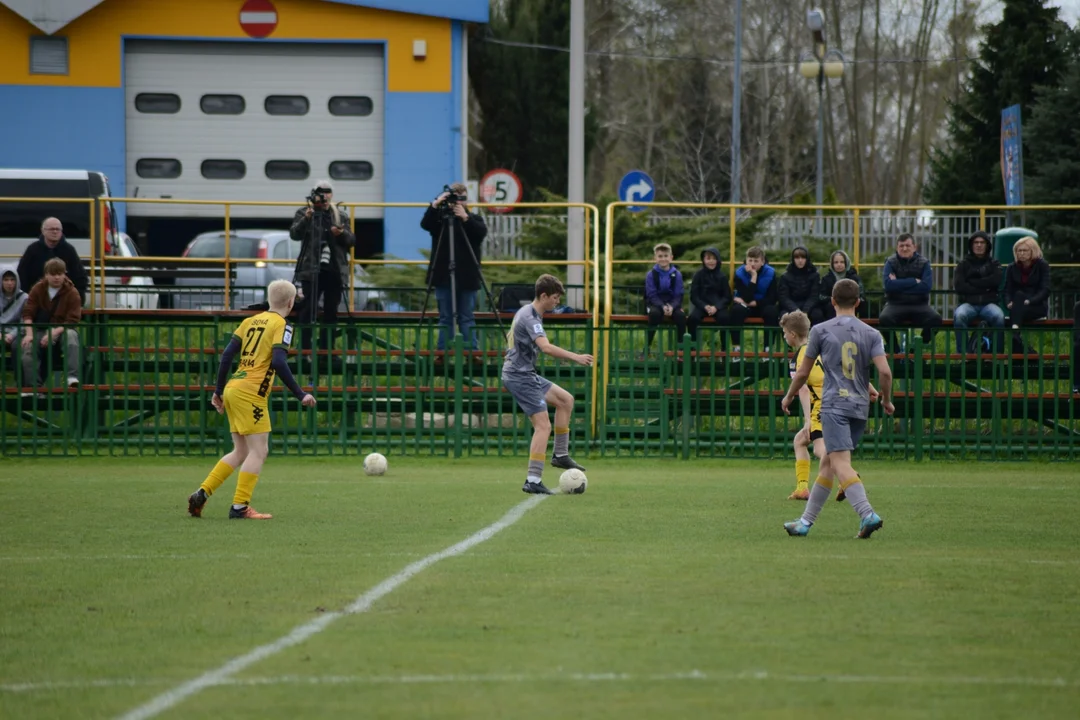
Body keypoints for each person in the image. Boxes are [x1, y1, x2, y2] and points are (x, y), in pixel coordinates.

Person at [187, 280, 316, 520]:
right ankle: (239, 507)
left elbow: (226, 355)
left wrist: (218, 390)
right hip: (251, 392)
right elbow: (278, 361)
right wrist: (301, 393)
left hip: (234, 387)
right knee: (260, 451)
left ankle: (202, 493)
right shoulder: (283, 325)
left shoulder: (249, 321)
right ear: (290, 302)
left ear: (269, 300)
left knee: (240, 451)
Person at [780, 278, 895, 539]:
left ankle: (867, 514)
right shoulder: (871, 333)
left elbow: (803, 373)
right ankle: (805, 523)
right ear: (858, 303)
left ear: (832, 301)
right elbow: (885, 372)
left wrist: (787, 397)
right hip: (858, 406)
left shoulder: (821, 330)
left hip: (833, 405)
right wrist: (885, 399)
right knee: (828, 464)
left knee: (839, 462)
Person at [501, 273, 593, 495]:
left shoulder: (528, 313)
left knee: (565, 400)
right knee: (543, 426)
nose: (557, 302)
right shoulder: (530, 317)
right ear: (543, 295)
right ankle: (533, 479)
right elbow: (547, 348)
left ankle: (560, 455)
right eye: (554, 297)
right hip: (519, 376)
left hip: (524, 373)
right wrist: (576, 357)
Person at [289, 180, 355, 352]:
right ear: (313, 194)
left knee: (331, 311)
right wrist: (307, 219)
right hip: (311, 268)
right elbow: (295, 234)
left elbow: (351, 240)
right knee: (308, 309)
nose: (324, 195)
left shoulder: (339, 215)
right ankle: (304, 350)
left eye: (327, 192)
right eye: (320, 192)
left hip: (334, 269)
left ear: (331, 194)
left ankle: (327, 350)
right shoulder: (304, 213)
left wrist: (340, 234)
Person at [421, 183, 488, 350]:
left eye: (462, 199)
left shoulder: (473, 219)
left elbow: (480, 233)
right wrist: (435, 204)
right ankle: (443, 350)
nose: (458, 202)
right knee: (445, 317)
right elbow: (425, 224)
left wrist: (465, 218)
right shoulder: (440, 220)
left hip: (467, 276)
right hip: (443, 275)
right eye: (454, 198)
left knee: (466, 316)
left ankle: (471, 351)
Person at [780, 310, 824, 501]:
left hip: (822, 406)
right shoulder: (820, 349)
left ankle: (848, 479)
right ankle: (802, 488)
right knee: (800, 441)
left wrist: (807, 420)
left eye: (784, 333)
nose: (784, 336)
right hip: (839, 401)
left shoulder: (798, 359)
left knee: (820, 449)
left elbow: (804, 390)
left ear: (792, 334)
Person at [20, 258, 81, 390]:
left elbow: (72, 320)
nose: (57, 277)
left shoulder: (72, 292)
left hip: (63, 329)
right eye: (53, 274)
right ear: (46, 274)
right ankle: (32, 386)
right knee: (28, 346)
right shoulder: (37, 289)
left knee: (71, 337)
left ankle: (72, 377)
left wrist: (54, 332)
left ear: (65, 274)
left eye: (60, 274)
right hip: (40, 329)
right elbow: (28, 313)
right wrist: (29, 334)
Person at [878, 233, 942, 347]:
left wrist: (898, 284)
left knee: (936, 319)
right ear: (897, 248)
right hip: (895, 304)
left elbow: (926, 287)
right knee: (884, 319)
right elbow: (888, 286)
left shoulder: (924, 263)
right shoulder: (890, 262)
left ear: (914, 247)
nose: (904, 248)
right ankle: (895, 350)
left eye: (907, 245)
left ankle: (917, 349)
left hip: (920, 305)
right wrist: (913, 281)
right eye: (901, 246)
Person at [952, 230, 1004, 354]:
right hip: (968, 304)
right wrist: (985, 286)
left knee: (999, 317)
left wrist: (971, 282)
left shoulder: (994, 264)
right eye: (976, 242)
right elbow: (960, 287)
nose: (979, 245)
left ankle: (997, 356)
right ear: (971, 245)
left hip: (989, 304)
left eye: (982, 242)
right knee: (959, 316)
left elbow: (995, 281)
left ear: (987, 245)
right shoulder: (963, 264)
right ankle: (964, 356)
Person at [17, 217, 89, 305]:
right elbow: (22, 274)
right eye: (51, 229)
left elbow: (80, 276)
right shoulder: (33, 250)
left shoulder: (69, 250)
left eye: (57, 229)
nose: (55, 232)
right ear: (43, 231)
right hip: (36, 298)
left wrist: (77, 298)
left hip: (64, 300)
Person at [729, 246, 779, 354]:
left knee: (772, 311)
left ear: (762, 262)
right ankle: (736, 348)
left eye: (756, 261)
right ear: (746, 260)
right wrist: (753, 276)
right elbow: (746, 296)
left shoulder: (770, 273)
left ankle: (768, 349)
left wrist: (755, 303)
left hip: (762, 305)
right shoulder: (739, 273)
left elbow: (772, 297)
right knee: (736, 310)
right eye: (750, 260)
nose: (752, 264)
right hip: (745, 306)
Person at [1004, 237, 1051, 336]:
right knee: (1019, 295)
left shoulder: (1042, 265)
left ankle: (1015, 330)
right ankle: (1016, 332)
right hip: (1018, 304)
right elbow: (1008, 289)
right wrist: (1008, 303)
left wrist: (1030, 301)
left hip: (1036, 305)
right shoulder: (1011, 267)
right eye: (1019, 251)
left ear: (1032, 251)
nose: (1021, 253)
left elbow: (1045, 290)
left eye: (1024, 250)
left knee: (1016, 312)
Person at [644, 243, 686, 349]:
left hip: (672, 303)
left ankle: (681, 350)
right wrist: (662, 306)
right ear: (655, 258)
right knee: (654, 315)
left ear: (671, 258)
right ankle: (646, 347)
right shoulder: (651, 274)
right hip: (656, 304)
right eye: (660, 256)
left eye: (666, 256)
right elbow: (651, 294)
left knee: (681, 317)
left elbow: (678, 294)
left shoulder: (677, 274)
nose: (663, 259)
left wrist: (671, 306)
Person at [687, 247, 731, 346]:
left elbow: (727, 297)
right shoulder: (698, 275)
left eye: (714, 258)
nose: (711, 261)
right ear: (703, 260)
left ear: (718, 260)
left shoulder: (722, 276)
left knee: (724, 318)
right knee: (693, 319)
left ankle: (724, 352)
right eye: (708, 258)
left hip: (718, 307)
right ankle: (693, 351)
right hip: (702, 306)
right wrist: (704, 306)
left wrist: (716, 307)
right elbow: (694, 296)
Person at [777, 246, 822, 324]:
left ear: (807, 259)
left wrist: (805, 311)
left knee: (817, 315)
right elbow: (784, 297)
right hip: (790, 307)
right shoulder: (785, 277)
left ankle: (814, 336)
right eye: (797, 258)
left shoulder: (815, 275)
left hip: (810, 307)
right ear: (793, 259)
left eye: (803, 257)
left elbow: (814, 296)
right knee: (785, 316)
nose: (800, 260)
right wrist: (796, 310)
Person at [817, 251, 864, 321]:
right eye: (836, 262)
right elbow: (821, 296)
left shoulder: (854, 278)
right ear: (832, 264)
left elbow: (861, 296)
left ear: (846, 263)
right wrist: (835, 300)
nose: (839, 265)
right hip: (832, 309)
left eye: (842, 262)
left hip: (851, 307)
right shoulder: (826, 279)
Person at [1, 265, 28, 368]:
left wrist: (11, 335)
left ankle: (20, 381)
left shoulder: (24, 298)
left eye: (12, 280)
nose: (9, 283)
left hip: (17, 333)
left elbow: (24, 321)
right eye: (6, 280)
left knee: (18, 346)